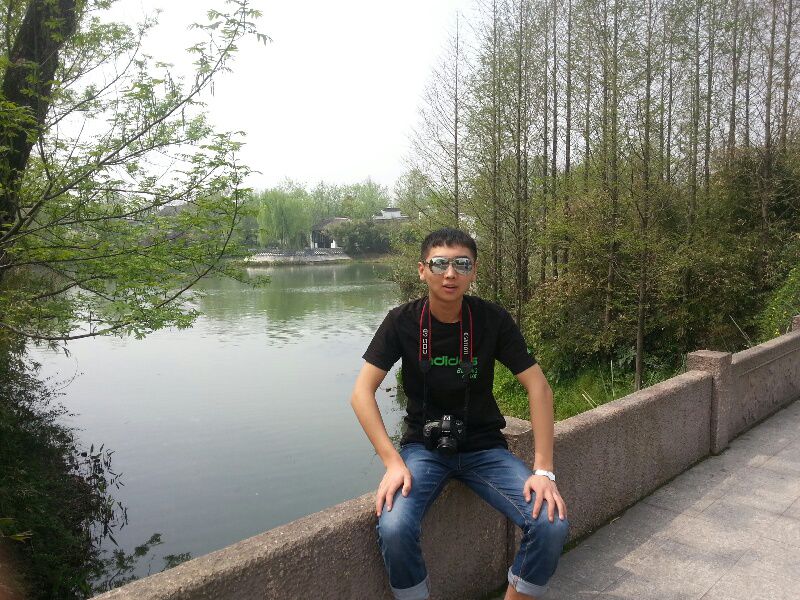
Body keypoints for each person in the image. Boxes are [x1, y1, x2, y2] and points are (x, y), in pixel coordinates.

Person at [350, 227, 569, 600]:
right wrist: (392, 462)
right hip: (423, 450)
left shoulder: (491, 320)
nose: (450, 274)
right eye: (440, 264)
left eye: (462, 264)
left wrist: (544, 470)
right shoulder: (402, 321)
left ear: (474, 271)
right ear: (423, 270)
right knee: (394, 527)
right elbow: (361, 393)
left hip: (485, 448)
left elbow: (539, 388)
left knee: (551, 523)